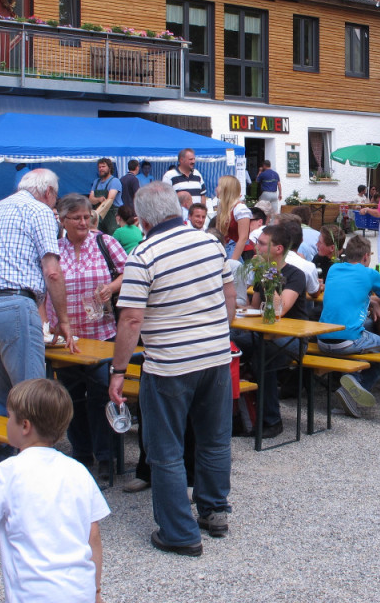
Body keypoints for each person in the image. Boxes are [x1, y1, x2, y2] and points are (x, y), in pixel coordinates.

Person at [108, 182, 235, 555]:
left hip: (169, 364)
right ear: (176, 209)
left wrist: (118, 371)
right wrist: (217, 334)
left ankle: (179, 532)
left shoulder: (143, 255)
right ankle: (214, 510)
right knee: (214, 439)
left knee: (165, 449)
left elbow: (131, 319)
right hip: (215, 357)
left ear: (143, 219)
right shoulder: (210, 243)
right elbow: (229, 295)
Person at [0, 378, 109, 601]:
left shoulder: (4, 473)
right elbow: (93, 536)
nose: (7, 422)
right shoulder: (79, 471)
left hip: (32, 594)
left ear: (25, 426)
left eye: (10, 417)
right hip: (80, 591)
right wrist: (96, 591)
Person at [0, 168, 75, 473]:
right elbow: (52, 271)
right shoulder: (40, 211)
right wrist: (64, 320)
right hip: (13, 305)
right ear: (48, 193)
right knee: (32, 400)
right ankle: (35, 480)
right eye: (55, 197)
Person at [46, 194, 127, 476]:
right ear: (63, 220)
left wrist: (111, 288)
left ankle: (105, 456)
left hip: (102, 333)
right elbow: (44, 286)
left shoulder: (105, 242)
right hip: (68, 338)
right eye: (76, 218)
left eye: (86, 216)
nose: (83, 222)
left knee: (101, 392)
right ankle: (81, 452)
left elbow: (129, 272)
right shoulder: (54, 250)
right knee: (71, 395)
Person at [231, 223, 308, 438]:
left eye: (263, 244)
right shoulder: (263, 272)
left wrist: (270, 276)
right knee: (228, 344)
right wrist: (235, 306)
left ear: (278, 249)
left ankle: (271, 421)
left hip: (293, 339)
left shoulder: (295, 275)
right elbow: (255, 309)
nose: (257, 248)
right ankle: (236, 416)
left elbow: (279, 310)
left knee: (263, 356)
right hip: (263, 335)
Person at [318, 234, 380, 418]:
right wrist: (376, 301)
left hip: (322, 338)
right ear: (366, 256)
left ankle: (351, 386)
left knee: (367, 345)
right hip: (347, 340)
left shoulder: (334, 269)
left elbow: (348, 294)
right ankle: (354, 389)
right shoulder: (370, 274)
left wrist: (371, 302)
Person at [214, 175, 251, 261]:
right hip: (226, 250)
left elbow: (243, 238)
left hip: (238, 253)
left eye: (219, 186)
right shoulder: (224, 208)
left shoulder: (240, 209)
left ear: (226, 189)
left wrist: (233, 261)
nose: (216, 189)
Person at [88, 158, 122, 236]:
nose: (101, 169)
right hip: (99, 216)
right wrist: (99, 199)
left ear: (109, 168)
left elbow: (109, 200)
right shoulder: (96, 182)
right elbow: (90, 199)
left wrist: (97, 200)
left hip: (112, 216)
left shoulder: (115, 181)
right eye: (99, 167)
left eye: (103, 166)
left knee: (113, 235)